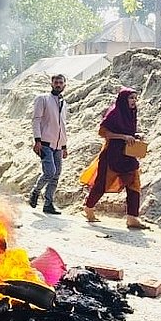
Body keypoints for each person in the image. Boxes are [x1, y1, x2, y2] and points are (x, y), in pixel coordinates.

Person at [81, 87, 147, 229]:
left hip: (128, 154)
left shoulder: (131, 113)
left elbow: (127, 131)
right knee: (101, 184)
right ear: (124, 100)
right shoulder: (114, 112)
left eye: (135, 98)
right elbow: (103, 132)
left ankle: (132, 218)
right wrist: (123, 137)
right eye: (131, 98)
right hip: (112, 154)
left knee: (134, 183)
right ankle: (88, 208)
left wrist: (135, 136)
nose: (134, 101)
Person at [28, 74, 69, 216]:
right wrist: (37, 140)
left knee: (56, 175)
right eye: (56, 82)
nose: (58, 84)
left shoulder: (64, 103)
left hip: (58, 145)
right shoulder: (43, 99)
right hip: (45, 143)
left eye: (60, 82)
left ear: (64, 85)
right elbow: (36, 120)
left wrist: (64, 146)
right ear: (51, 84)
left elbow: (62, 125)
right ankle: (35, 191)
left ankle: (48, 204)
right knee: (50, 172)